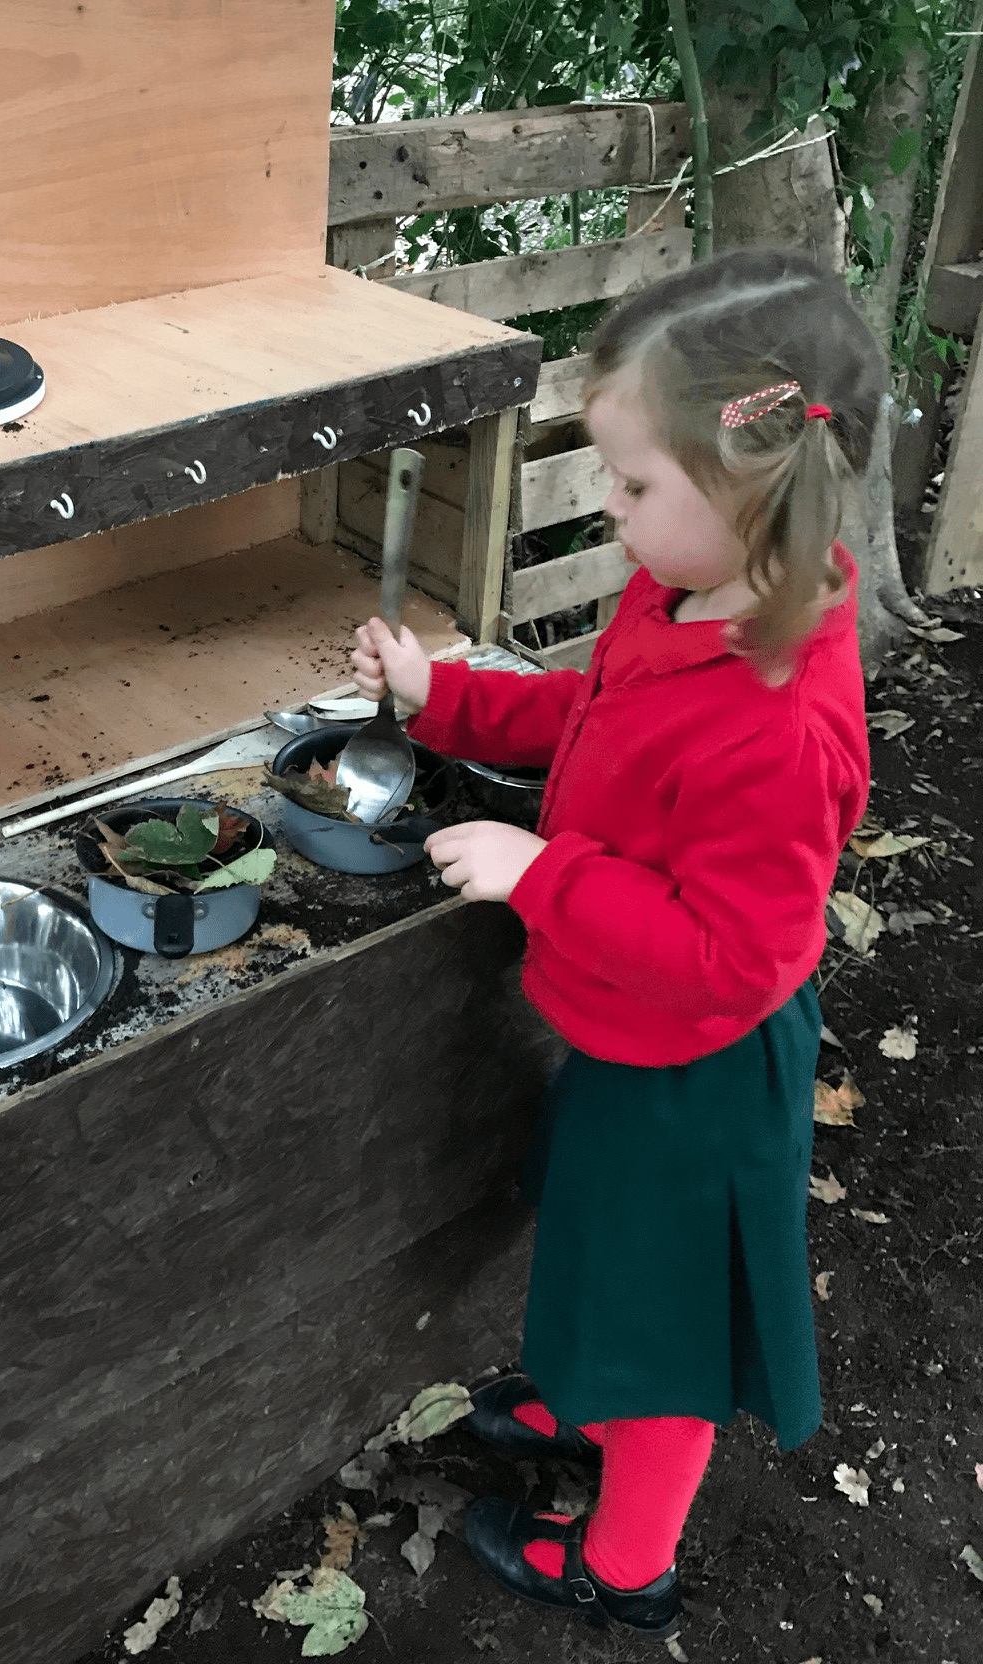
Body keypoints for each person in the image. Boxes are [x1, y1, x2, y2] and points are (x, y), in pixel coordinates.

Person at [350, 249, 884, 1640]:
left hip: (703, 1072)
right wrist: (439, 696)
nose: (611, 506)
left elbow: (731, 957)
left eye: (636, 484)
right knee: (600, 1247)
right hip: (625, 1032)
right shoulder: (683, 599)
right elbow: (585, 715)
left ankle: (624, 1562)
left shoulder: (783, 724)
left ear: (757, 483)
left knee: (672, 1340)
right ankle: (579, 1385)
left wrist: (541, 871)